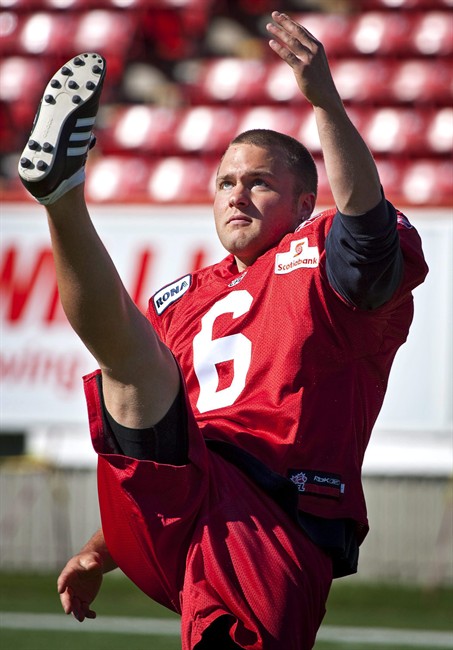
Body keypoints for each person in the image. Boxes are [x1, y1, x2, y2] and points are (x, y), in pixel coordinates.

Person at [18, 11, 428, 650]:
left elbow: (372, 247)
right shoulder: (184, 297)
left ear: (301, 204)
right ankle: (62, 194)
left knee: (137, 367)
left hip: (268, 507)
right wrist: (107, 546)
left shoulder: (321, 249)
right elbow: (162, 438)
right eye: (226, 183)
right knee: (134, 365)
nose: (236, 195)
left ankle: (64, 194)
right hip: (177, 500)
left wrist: (324, 102)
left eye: (259, 182)